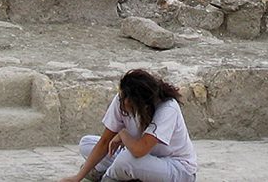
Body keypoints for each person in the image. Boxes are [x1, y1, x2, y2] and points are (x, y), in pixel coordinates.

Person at [59, 69, 197, 182]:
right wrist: (78, 177)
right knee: (86, 143)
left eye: (128, 99)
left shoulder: (167, 108)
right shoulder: (121, 100)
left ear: (142, 101)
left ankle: (109, 177)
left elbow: (139, 150)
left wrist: (123, 134)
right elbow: (105, 141)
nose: (124, 102)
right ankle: (128, 175)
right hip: (141, 158)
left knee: (126, 160)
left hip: (175, 168)